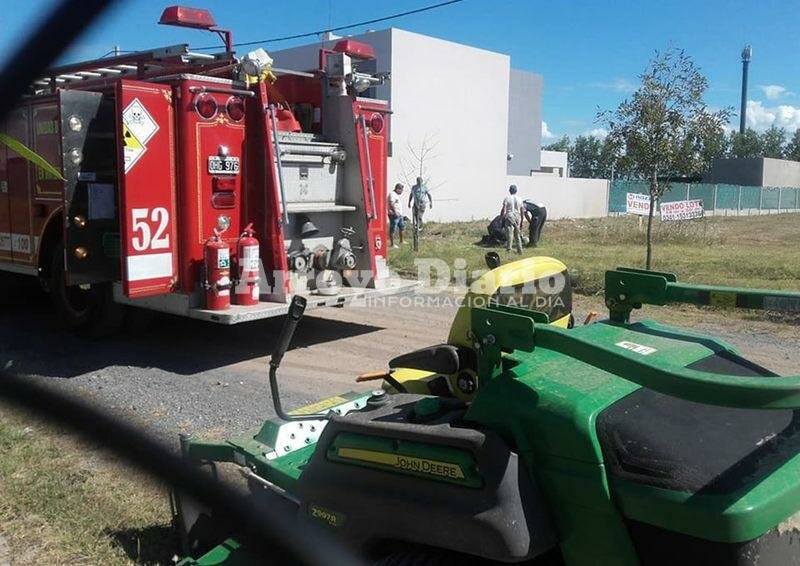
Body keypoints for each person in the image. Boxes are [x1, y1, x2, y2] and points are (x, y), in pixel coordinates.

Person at [501, 185, 523, 254]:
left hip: (510, 216)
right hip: (517, 216)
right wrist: (522, 220)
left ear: (509, 190)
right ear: (516, 191)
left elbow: (504, 209)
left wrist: (501, 217)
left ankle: (509, 249)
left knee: (510, 234)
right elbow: (522, 210)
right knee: (517, 234)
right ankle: (520, 250)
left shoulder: (507, 198)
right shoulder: (520, 199)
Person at [387, 183, 405, 248]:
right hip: (394, 215)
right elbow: (391, 204)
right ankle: (392, 244)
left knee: (402, 227)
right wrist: (395, 212)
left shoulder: (396, 195)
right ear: (398, 189)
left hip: (399, 215)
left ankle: (401, 241)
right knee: (393, 229)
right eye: (401, 190)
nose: (402, 192)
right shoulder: (392, 194)